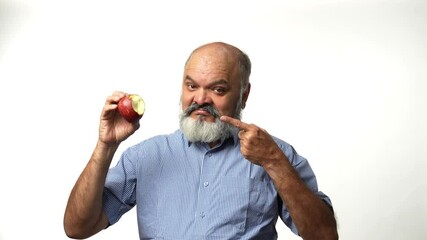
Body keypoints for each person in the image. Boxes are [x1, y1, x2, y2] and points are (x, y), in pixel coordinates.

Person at [63, 42, 338, 240]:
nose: (201, 100)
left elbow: (325, 236)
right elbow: (77, 228)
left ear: (243, 95)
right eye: (191, 86)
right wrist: (106, 147)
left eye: (218, 89)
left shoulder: (274, 154)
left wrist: (274, 163)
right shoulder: (145, 157)